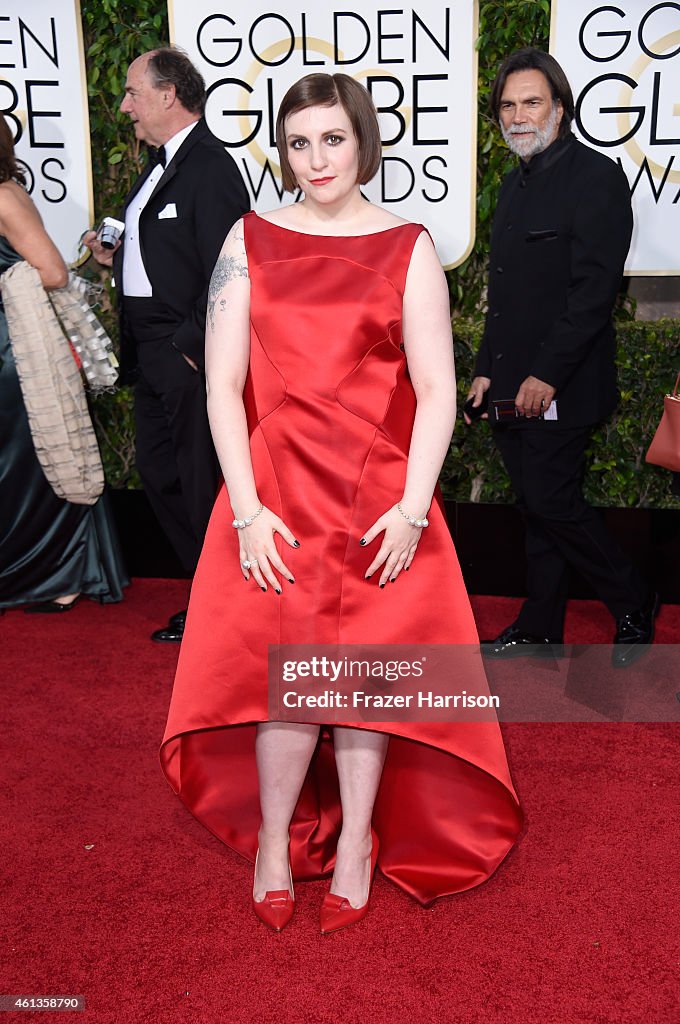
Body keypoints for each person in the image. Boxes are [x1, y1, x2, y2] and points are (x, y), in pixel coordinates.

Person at [161, 73, 521, 933]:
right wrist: (246, 511)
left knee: (367, 684)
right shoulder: (248, 241)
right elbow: (222, 388)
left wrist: (411, 509)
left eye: (333, 139)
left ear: (362, 142)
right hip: (274, 501)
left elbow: (436, 391)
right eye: (298, 142)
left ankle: (357, 840)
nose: (316, 158)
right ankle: (275, 846)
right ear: (281, 151)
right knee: (282, 685)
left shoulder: (409, 246)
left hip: (377, 506)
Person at [465, 48, 657, 670]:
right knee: (536, 506)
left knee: (551, 501)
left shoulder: (596, 177)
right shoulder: (511, 185)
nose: (519, 116)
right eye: (508, 105)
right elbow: (505, 294)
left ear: (561, 108)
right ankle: (543, 625)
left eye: (532, 102)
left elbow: (594, 294)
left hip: (561, 385)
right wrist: (489, 366)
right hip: (511, 385)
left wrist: (546, 375)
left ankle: (633, 597)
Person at [84, 47, 250, 642]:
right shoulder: (157, 166)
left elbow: (233, 268)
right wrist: (115, 257)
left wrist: (190, 346)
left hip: (187, 352)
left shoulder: (211, 166)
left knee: (200, 478)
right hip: (150, 350)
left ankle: (226, 609)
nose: (125, 105)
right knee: (162, 475)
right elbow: (164, 254)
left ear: (169, 94)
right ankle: (208, 595)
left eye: (133, 93)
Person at [0, 118, 127, 611]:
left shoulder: (5, 195)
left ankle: (59, 571)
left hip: (16, 351)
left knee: (28, 462)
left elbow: (52, 271)